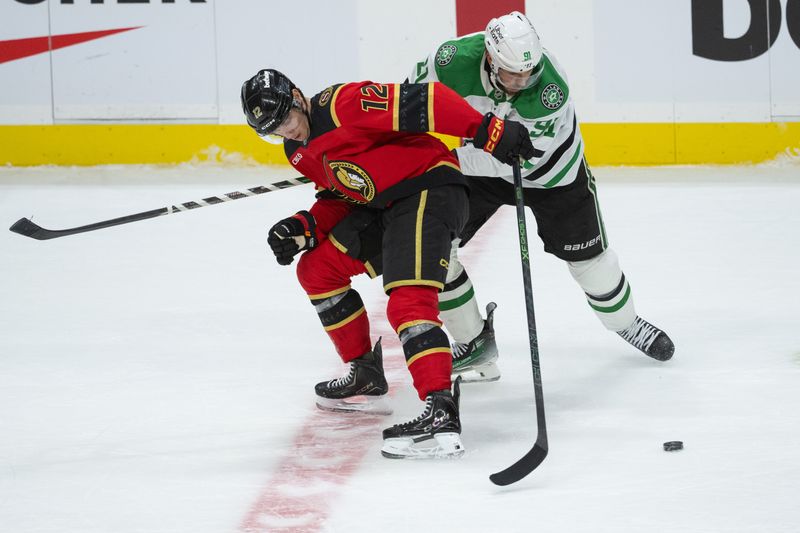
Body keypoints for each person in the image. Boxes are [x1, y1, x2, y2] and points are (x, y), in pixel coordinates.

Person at [241, 68, 534, 458]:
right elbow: (342, 194)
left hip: (428, 187)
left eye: (286, 117)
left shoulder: (345, 104)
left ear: (297, 96)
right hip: (385, 208)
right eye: (273, 128)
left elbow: (429, 101)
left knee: (408, 300)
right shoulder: (296, 151)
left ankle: (441, 411)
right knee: (317, 270)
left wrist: (488, 131)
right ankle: (365, 373)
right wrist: (306, 225)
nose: (285, 130)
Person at [409, 11, 675, 382]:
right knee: (435, 248)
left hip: (552, 176)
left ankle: (625, 323)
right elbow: (410, 104)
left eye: (527, 73)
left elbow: (515, 159)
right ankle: (476, 348)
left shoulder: (550, 89)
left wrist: (444, 160)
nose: (521, 81)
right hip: (478, 164)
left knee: (591, 264)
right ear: (489, 57)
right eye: (511, 73)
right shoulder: (450, 60)